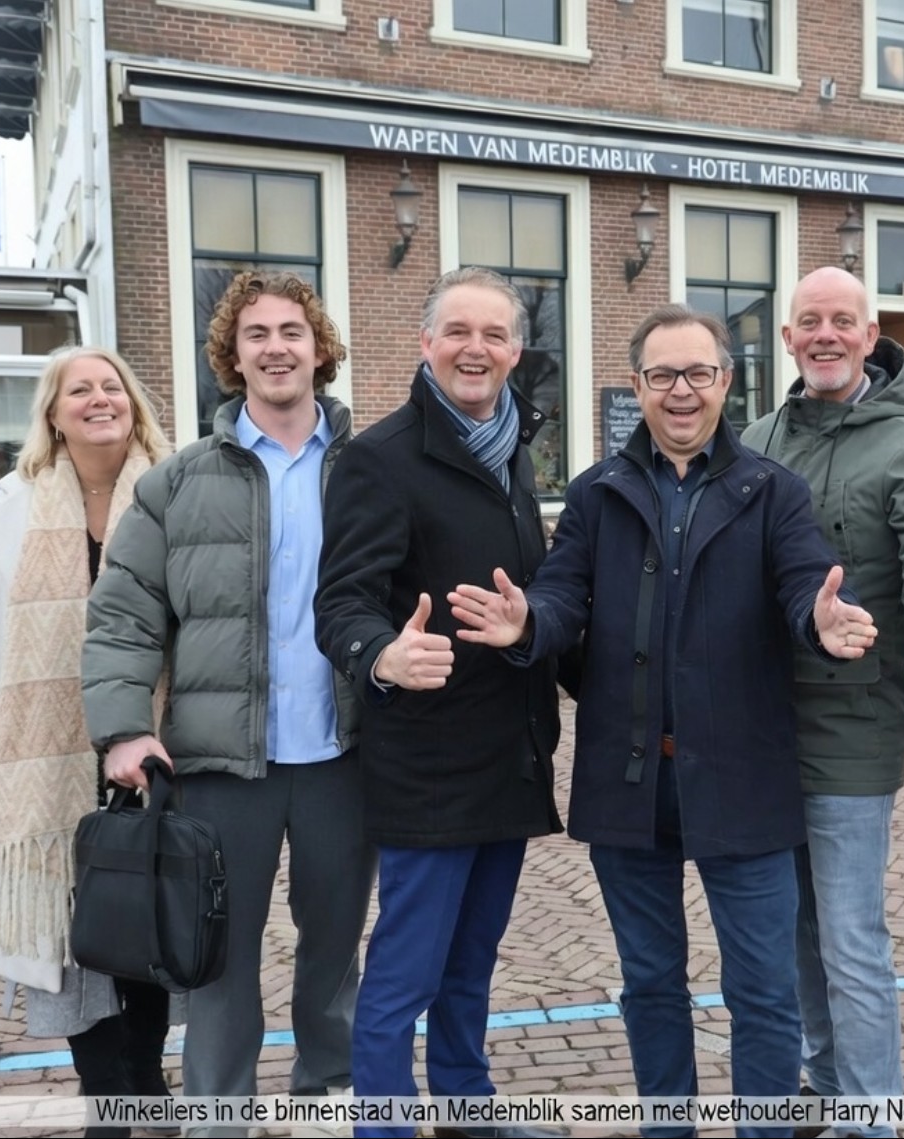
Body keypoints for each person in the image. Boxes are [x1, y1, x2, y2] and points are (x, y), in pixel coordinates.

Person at [450, 304, 878, 1139]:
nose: (679, 393)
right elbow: (563, 594)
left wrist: (822, 622)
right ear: (637, 386)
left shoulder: (773, 492)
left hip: (744, 783)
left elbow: (803, 584)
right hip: (629, 779)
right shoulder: (595, 493)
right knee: (649, 979)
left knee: (762, 985)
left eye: (697, 374)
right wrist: (528, 624)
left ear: (725, 382)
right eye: (660, 376)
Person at [82, 271, 375, 1132]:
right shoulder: (174, 485)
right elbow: (123, 616)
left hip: (341, 760)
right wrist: (126, 729)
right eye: (256, 333)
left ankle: (327, 1103)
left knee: (332, 957)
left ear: (319, 349)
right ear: (231, 355)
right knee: (217, 961)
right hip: (215, 768)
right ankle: (220, 1118)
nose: (276, 346)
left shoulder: (371, 471)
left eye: (292, 330)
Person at [313, 268, 564, 1138]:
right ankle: (382, 1124)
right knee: (405, 970)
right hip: (426, 761)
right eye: (457, 331)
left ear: (516, 352)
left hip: (509, 752)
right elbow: (339, 601)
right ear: (425, 344)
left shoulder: (512, 452)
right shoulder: (378, 459)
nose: (475, 349)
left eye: (494, 335)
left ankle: (465, 1107)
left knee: (471, 960)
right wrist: (380, 650)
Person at [741, 266, 904, 1133]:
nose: (826, 335)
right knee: (794, 928)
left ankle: (871, 1113)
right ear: (789, 338)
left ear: (871, 337)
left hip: (851, 725)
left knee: (848, 935)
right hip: (762, 725)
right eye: (811, 321)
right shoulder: (756, 439)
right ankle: (828, 1076)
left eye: (844, 320)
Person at [0, 346, 173, 1138]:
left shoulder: (176, 491)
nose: (99, 398)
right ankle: (107, 1094)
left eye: (112, 386)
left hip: (155, 747)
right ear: (53, 411)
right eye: (81, 389)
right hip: (43, 764)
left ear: (133, 404)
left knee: (145, 920)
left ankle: (146, 1076)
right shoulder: (11, 507)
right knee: (70, 938)